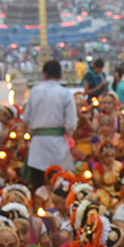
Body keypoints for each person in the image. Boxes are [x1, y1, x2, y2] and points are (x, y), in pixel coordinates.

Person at [22, 59, 78, 190]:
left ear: (45, 74)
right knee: (59, 184)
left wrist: (34, 131)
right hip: (57, 144)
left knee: (38, 185)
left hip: (38, 145)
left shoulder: (34, 91)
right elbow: (71, 123)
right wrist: (67, 134)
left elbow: (26, 118)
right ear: (60, 75)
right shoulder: (65, 93)